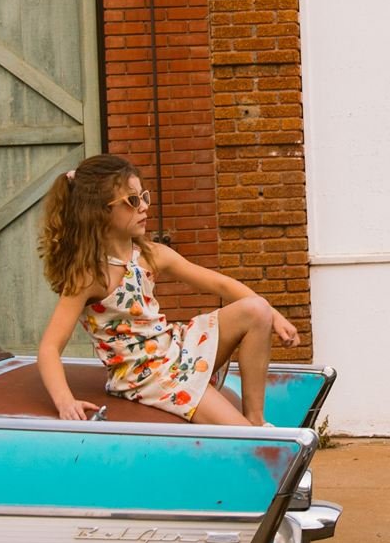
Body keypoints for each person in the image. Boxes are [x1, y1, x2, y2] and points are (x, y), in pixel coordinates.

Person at [37, 153, 298, 425]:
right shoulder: (90, 275)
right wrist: (64, 401)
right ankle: (249, 431)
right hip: (148, 376)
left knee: (257, 309)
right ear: (100, 211)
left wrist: (274, 316)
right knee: (246, 439)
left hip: (175, 348)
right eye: (133, 201)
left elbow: (220, 284)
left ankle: (255, 418)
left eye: (144, 197)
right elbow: (49, 348)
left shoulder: (150, 254)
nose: (144, 208)